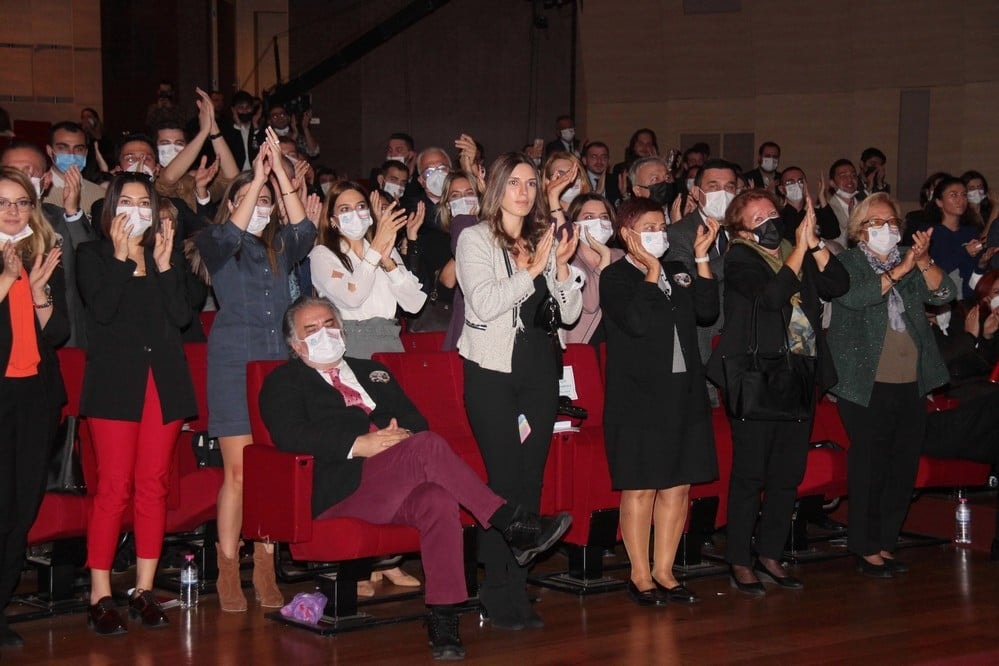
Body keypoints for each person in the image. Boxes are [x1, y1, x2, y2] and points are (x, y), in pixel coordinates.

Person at [259, 295, 572, 660]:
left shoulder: (373, 371)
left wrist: (397, 436)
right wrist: (360, 443)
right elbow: (290, 435)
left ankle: (444, 618)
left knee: (436, 500)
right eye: (311, 330)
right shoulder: (283, 382)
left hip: (391, 479)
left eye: (330, 324)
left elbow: (417, 423)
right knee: (427, 448)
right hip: (338, 488)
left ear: (342, 329)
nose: (324, 333)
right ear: (295, 345)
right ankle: (511, 523)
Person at [455, 152, 582, 629]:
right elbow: (485, 304)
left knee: (531, 480)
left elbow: (567, 315)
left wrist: (563, 270)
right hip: (492, 371)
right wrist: (533, 270)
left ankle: (514, 588)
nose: (525, 192)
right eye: (515, 183)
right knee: (505, 479)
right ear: (497, 189)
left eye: (532, 183)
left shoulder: (540, 238)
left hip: (539, 369)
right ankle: (496, 587)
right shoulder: (475, 237)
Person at [194, 131, 317, 612]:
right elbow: (228, 234)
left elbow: (305, 229)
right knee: (240, 472)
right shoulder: (216, 242)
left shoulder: (280, 246)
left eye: (264, 201)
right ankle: (229, 569)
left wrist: (281, 179)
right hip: (231, 363)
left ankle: (266, 566)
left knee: (272, 472)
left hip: (276, 368)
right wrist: (255, 178)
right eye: (247, 199)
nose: (260, 204)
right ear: (230, 204)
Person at [706, 189, 849, 595]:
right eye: (758, 219)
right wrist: (798, 252)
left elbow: (839, 283)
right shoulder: (739, 258)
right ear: (743, 232)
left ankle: (771, 553)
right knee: (751, 474)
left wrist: (814, 243)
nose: (770, 222)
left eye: (772, 213)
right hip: (757, 377)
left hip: (800, 372)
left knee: (788, 474)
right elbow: (769, 299)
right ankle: (738, 558)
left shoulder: (797, 249)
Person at [76, 173, 197, 634]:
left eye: (143, 202)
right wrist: (124, 258)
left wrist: (165, 266)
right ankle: (99, 593)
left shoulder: (163, 253)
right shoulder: (93, 255)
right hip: (115, 387)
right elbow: (102, 311)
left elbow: (183, 316)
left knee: (153, 485)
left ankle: (144, 588)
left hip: (162, 385)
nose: (135, 210)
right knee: (113, 488)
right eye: (125, 201)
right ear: (110, 207)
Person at [826, 192, 954, 578]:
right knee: (870, 464)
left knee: (903, 465)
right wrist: (899, 271)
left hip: (911, 379)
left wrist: (924, 260)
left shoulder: (911, 261)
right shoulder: (845, 263)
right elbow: (855, 297)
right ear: (859, 229)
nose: (886, 229)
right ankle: (864, 548)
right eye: (876, 223)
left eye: (891, 222)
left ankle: (885, 543)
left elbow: (946, 293)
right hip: (864, 381)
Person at [601, 196, 719, 606]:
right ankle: (638, 574)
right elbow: (635, 322)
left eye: (661, 227)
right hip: (638, 397)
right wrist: (650, 273)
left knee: (678, 484)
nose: (658, 235)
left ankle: (665, 571)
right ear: (627, 234)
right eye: (647, 228)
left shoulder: (679, 270)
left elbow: (707, 311)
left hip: (684, 393)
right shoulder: (615, 278)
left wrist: (701, 260)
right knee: (641, 486)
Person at [0, 167, 67, 648]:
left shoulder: (31, 253)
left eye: (22, 202)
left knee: (22, 509)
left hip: (34, 395)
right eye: (3, 202)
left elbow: (54, 333)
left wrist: (39, 291)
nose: (14, 211)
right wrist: (6, 280)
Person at [310, 181, 426, 359]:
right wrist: (375, 250)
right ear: (333, 221)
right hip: (350, 341)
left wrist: (389, 264)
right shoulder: (322, 255)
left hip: (389, 339)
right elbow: (352, 297)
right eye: (345, 209)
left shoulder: (383, 248)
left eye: (361, 206)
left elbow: (414, 304)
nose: (355, 214)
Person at [564, 193, 622, 345]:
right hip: (584, 347)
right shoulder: (568, 262)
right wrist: (604, 259)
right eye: (589, 217)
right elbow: (590, 304)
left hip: (618, 344)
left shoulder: (622, 257)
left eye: (604, 217)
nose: (598, 222)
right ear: (574, 225)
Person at [922, 176, 984, 297]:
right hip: (940, 298)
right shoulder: (930, 233)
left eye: (964, 195)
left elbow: (974, 272)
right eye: (954, 195)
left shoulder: (970, 232)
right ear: (939, 202)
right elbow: (933, 270)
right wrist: (965, 252)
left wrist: (983, 262)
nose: (961, 200)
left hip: (968, 297)